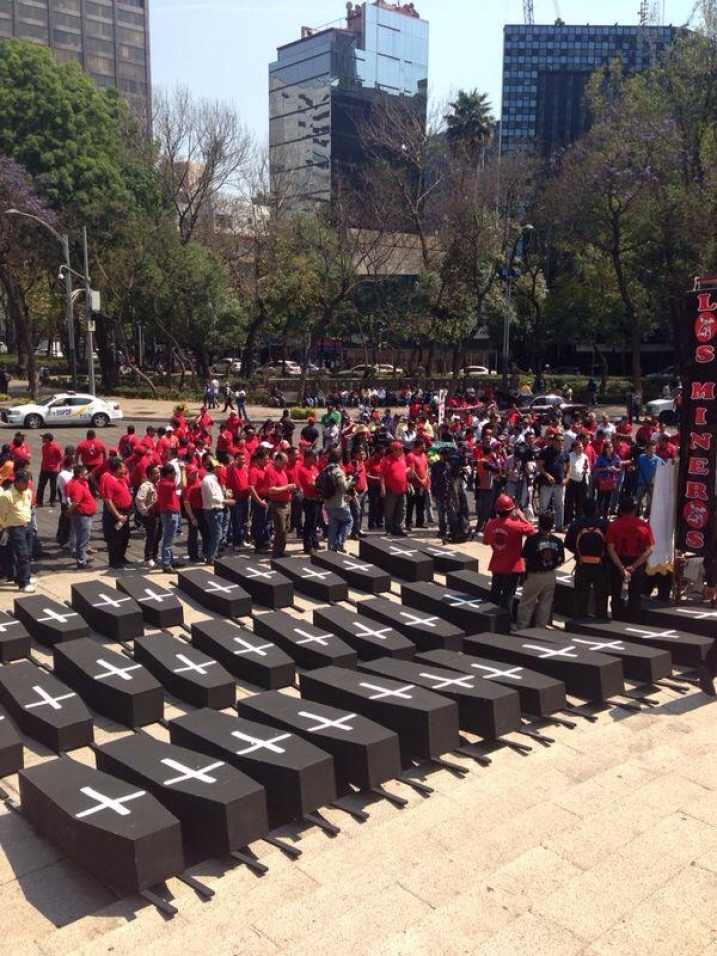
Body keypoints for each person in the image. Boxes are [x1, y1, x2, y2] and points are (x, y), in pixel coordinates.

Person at [483, 493, 535, 614]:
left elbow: (486, 542)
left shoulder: (490, 524)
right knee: (508, 597)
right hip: (513, 568)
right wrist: (521, 516)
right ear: (511, 510)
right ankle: (504, 624)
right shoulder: (517, 526)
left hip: (496, 564)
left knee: (494, 595)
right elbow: (531, 530)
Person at [606, 496, 655, 621]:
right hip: (636, 564)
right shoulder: (644, 526)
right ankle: (633, 622)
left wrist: (621, 567)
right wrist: (634, 566)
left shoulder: (614, 526)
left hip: (619, 563)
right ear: (635, 509)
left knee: (617, 595)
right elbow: (649, 550)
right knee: (635, 596)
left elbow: (610, 548)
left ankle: (617, 619)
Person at [516, 512, 565, 630]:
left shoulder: (532, 540)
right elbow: (561, 560)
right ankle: (540, 630)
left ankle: (522, 629)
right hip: (550, 575)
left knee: (526, 604)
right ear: (552, 525)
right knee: (546, 604)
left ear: (540, 525)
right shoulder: (557, 541)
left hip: (534, 575)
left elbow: (524, 556)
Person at [564, 497, 609, 619]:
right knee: (601, 596)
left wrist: (578, 553)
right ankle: (601, 619)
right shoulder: (605, 524)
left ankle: (580, 621)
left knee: (581, 595)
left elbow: (568, 544)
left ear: (583, 509)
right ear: (596, 509)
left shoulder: (575, 524)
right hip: (601, 565)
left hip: (582, 565)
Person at [0, 470, 35, 592]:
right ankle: (23, 583)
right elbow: (2, 514)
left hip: (27, 526)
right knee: (22, 555)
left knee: (28, 554)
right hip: (15, 528)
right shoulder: (7, 496)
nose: (26, 484)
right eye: (23, 482)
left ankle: (23, 576)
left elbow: (28, 507)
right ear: (16, 482)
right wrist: (7, 526)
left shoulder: (28, 492)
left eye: (27, 482)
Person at [99, 457, 133, 569]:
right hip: (117, 513)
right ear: (117, 468)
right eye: (122, 466)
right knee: (115, 538)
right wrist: (117, 515)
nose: (125, 468)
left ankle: (121, 557)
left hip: (125, 511)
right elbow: (108, 501)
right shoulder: (110, 480)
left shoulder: (122, 478)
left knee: (125, 536)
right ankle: (114, 561)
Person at [65, 464, 97, 570]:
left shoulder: (81, 483)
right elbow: (75, 503)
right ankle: (81, 561)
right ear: (80, 474)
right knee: (82, 539)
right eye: (86, 472)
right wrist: (69, 511)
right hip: (82, 516)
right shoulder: (77, 486)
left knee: (85, 537)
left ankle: (83, 556)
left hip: (85, 515)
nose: (88, 474)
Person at [264, 451, 295, 559]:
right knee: (280, 529)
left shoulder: (282, 471)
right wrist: (287, 488)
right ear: (277, 460)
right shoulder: (271, 471)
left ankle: (281, 550)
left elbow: (282, 486)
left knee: (285, 528)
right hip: (277, 504)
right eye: (283, 463)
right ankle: (276, 552)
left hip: (286, 503)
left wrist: (289, 488)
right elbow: (271, 490)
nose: (285, 466)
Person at [322, 448, 354, 552]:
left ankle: (331, 547)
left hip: (328, 502)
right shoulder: (338, 471)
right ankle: (340, 542)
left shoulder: (325, 469)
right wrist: (350, 481)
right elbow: (344, 487)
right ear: (339, 460)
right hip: (339, 503)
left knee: (333, 526)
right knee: (349, 521)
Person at [537, 430, 569, 530]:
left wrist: (567, 478)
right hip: (547, 483)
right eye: (559, 440)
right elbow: (540, 466)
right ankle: (542, 527)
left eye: (562, 440)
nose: (561, 442)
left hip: (560, 483)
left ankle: (559, 526)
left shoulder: (564, 452)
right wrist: (547, 475)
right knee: (543, 506)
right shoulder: (546, 451)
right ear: (554, 441)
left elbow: (568, 466)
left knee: (560, 506)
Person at [157, 463, 185, 573]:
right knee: (168, 541)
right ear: (168, 474)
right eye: (173, 473)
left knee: (169, 539)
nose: (174, 475)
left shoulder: (165, 482)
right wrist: (183, 470)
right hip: (169, 514)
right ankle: (166, 564)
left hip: (170, 512)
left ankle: (170, 560)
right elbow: (182, 485)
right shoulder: (166, 484)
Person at [200, 457, 228, 563]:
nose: (220, 469)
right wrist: (226, 501)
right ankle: (211, 557)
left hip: (216, 510)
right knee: (217, 534)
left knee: (216, 534)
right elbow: (213, 497)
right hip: (213, 511)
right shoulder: (208, 481)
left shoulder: (211, 479)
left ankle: (213, 554)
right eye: (218, 467)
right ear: (215, 468)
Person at [380, 441, 409, 536]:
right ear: (394, 450)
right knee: (389, 511)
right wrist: (383, 488)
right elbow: (382, 476)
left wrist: (408, 484)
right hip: (391, 490)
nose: (402, 450)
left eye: (402, 448)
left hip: (402, 489)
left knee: (402, 510)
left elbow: (404, 472)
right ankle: (389, 529)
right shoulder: (386, 461)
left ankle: (398, 528)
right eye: (400, 449)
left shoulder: (403, 457)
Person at [135, 463, 160, 568]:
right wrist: (145, 511)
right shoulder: (145, 486)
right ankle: (148, 558)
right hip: (150, 515)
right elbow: (139, 499)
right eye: (155, 473)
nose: (158, 475)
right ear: (149, 475)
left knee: (158, 536)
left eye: (158, 472)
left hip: (158, 513)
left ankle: (154, 555)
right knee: (151, 536)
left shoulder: (157, 483)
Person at [563, 436, 590, 525]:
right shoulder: (569, 456)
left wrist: (586, 472)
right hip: (571, 482)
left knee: (581, 503)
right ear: (574, 448)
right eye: (579, 447)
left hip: (582, 482)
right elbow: (566, 468)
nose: (581, 449)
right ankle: (567, 521)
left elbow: (588, 468)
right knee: (569, 503)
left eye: (582, 447)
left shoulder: (585, 456)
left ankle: (579, 521)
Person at [36, 432, 63, 507]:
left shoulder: (56, 447)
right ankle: (39, 501)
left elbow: (60, 458)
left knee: (53, 486)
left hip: (53, 470)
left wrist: (56, 465)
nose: (42, 439)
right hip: (44, 468)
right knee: (41, 486)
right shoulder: (44, 447)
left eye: (44, 438)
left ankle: (52, 500)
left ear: (48, 439)